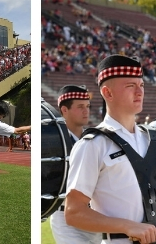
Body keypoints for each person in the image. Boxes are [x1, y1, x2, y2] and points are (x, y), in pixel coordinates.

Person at [64, 55, 156, 244]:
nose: (140, 92)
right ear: (108, 93)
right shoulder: (92, 145)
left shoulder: (151, 138)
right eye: (130, 86)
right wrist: (127, 226)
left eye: (141, 85)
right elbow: (73, 213)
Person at [49, 85, 100, 243]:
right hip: (65, 216)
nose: (86, 111)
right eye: (80, 107)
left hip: (97, 215)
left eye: (87, 106)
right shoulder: (53, 142)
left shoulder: (96, 140)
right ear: (64, 110)